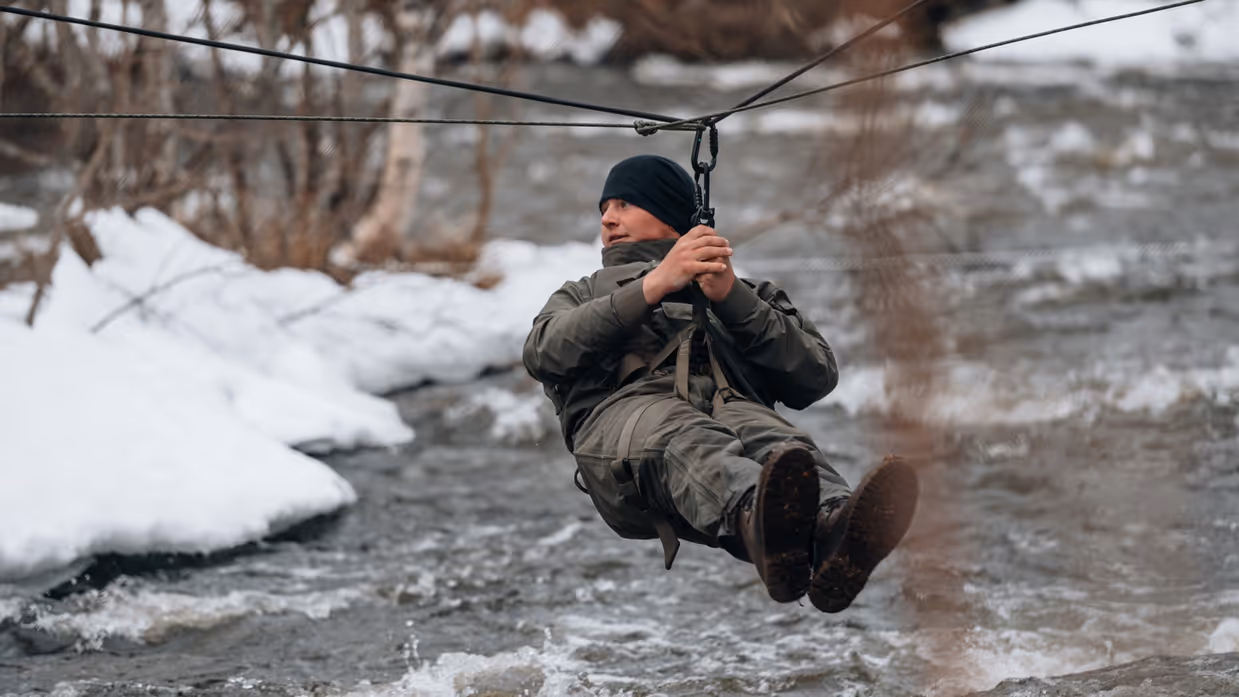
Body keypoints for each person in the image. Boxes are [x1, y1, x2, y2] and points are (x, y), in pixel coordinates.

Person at [522, 154, 918, 612]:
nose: (608, 218)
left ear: (669, 215)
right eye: (605, 208)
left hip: (727, 413)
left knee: (779, 444)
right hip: (626, 441)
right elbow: (542, 352)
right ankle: (762, 523)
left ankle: (834, 532)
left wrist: (733, 298)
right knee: (683, 434)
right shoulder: (583, 293)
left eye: (626, 204)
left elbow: (816, 376)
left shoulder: (744, 291)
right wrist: (652, 286)